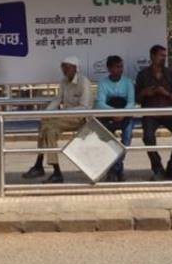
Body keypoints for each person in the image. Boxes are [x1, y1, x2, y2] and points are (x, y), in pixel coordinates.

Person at [21, 56, 93, 184]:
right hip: (65, 117)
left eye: (67, 67)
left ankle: (41, 166)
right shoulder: (64, 81)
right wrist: (46, 113)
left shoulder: (84, 82)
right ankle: (53, 171)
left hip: (80, 118)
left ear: (75, 68)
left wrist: (62, 113)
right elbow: (58, 99)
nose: (64, 70)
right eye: (63, 67)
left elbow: (85, 107)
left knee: (47, 127)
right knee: (46, 127)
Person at [135, 45, 172, 181]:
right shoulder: (143, 75)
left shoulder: (170, 74)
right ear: (152, 56)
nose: (164, 58)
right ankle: (157, 169)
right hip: (150, 113)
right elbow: (137, 99)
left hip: (168, 111)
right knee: (148, 137)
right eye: (161, 55)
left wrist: (166, 93)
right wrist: (145, 93)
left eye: (165, 56)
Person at [95, 55, 136, 182]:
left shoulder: (128, 82)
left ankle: (114, 169)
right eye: (117, 67)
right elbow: (100, 103)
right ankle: (118, 170)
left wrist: (122, 113)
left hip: (125, 115)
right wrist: (113, 112)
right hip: (109, 116)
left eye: (121, 66)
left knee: (126, 140)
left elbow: (131, 102)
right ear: (109, 69)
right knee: (109, 142)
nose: (120, 69)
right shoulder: (103, 83)